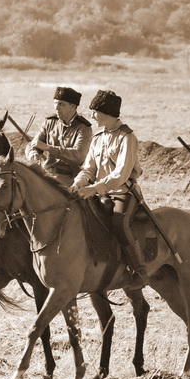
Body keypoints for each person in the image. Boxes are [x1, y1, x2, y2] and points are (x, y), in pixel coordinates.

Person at [70, 90, 147, 281]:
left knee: (120, 223)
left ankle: (139, 271)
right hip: (99, 192)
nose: (92, 116)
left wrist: (94, 189)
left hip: (123, 192)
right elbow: (88, 168)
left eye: (94, 112)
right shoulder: (98, 137)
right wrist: (78, 182)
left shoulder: (127, 137)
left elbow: (120, 175)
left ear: (105, 113)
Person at [24, 86, 92, 185]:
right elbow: (33, 144)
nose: (56, 107)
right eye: (55, 103)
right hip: (45, 173)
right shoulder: (50, 122)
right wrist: (33, 155)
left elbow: (78, 156)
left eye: (61, 104)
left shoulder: (83, 128)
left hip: (69, 178)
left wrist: (48, 148)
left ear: (73, 106)